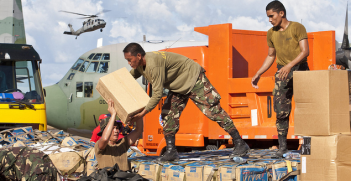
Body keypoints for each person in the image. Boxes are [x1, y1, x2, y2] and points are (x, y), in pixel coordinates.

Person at [123, 43, 250, 161]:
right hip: (179, 85)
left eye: (129, 60)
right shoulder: (139, 65)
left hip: (193, 78)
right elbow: (129, 77)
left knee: (213, 111)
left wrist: (142, 114)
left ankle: (240, 143)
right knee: (168, 114)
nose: (129, 63)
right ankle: (171, 151)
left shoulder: (153, 65)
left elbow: (156, 95)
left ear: (138, 56)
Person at [251, 0, 310, 157]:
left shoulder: (297, 27)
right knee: (281, 111)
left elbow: (305, 52)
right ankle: (283, 147)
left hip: (300, 71)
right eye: (268, 17)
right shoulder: (271, 33)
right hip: (282, 74)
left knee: (306, 109)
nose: (270, 20)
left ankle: (308, 147)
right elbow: (271, 56)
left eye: (271, 16)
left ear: (281, 13)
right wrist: (258, 73)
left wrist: (289, 65)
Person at [94, 99, 143, 171]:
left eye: (117, 128)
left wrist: (139, 114)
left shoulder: (122, 143)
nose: (116, 131)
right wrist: (113, 114)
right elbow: (105, 139)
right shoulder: (100, 145)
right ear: (104, 131)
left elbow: (138, 131)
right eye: (112, 128)